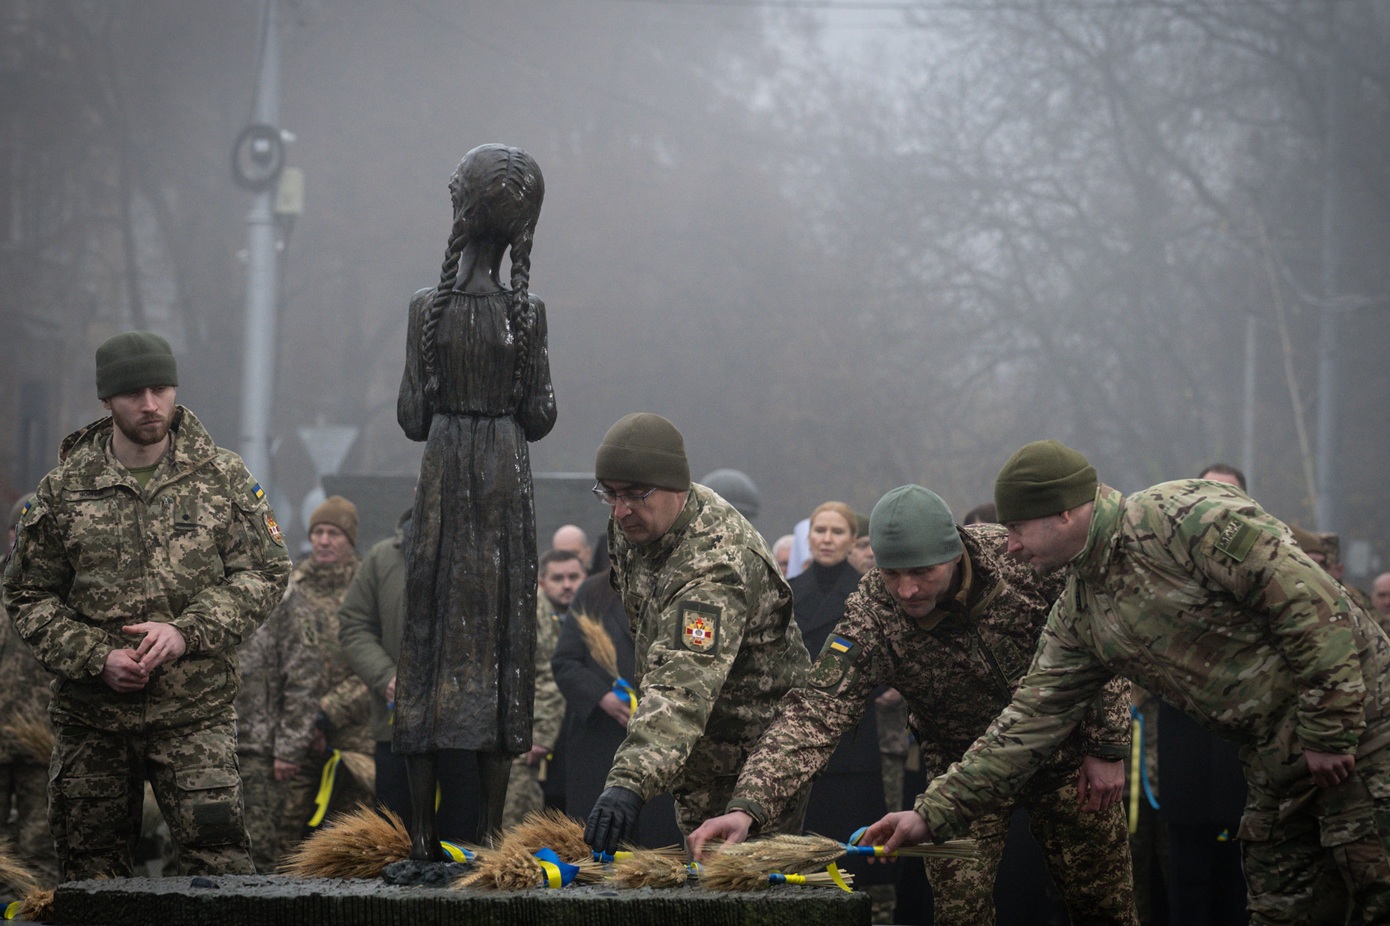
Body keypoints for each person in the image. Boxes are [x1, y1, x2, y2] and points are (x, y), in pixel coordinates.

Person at [870, 440, 1390, 925]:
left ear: (1064, 513)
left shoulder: (1183, 516)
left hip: (1364, 729)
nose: (1010, 548)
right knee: (1283, 908)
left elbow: (1310, 605)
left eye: (1017, 529)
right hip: (1274, 757)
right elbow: (1027, 722)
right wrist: (930, 815)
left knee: (1379, 885)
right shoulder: (1080, 610)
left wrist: (1330, 729)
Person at [691, 485, 1137, 926]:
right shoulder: (873, 610)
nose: (906, 590)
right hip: (959, 778)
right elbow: (815, 711)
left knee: (1103, 905)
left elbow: (1097, 635)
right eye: (892, 574)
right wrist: (747, 806)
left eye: (922, 572)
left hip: (1068, 760)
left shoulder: (1017, 559)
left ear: (955, 553)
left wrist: (1107, 746)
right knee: (959, 913)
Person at [2, 330, 290, 880]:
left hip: (195, 715)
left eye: (161, 389)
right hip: (94, 721)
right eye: (134, 393)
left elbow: (267, 571)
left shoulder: (222, 477)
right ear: (107, 400)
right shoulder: (63, 490)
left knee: (220, 874)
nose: (151, 404)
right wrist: (96, 657)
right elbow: (26, 593)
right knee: (93, 879)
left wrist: (187, 631)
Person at [394, 144, 556, 856]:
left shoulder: (425, 309)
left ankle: (423, 838)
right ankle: (491, 836)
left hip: (442, 484)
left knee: (426, 638)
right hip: (503, 485)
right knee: (503, 645)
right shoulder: (528, 313)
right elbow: (541, 415)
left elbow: (412, 418)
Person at [582, 413, 812, 855]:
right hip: (697, 750)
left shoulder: (715, 564)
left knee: (746, 884)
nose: (620, 510)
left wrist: (629, 782)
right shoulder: (632, 525)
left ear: (675, 487)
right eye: (609, 493)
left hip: (755, 764)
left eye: (634, 494)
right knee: (700, 876)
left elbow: (683, 683)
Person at [235, 495, 363, 872]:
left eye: (334, 533)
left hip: (352, 741)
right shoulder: (291, 586)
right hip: (293, 738)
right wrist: (301, 725)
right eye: (318, 532)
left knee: (348, 837)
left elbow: (377, 664)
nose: (323, 541)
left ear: (350, 540)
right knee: (284, 837)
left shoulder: (365, 587)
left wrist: (326, 714)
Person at [338, 509, 481, 843]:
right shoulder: (382, 558)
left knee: (463, 837)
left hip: (466, 725)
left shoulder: (479, 556)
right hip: (397, 726)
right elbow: (354, 625)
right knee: (396, 835)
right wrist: (386, 677)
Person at [551, 537, 684, 846]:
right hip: (599, 742)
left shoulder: (675, 588)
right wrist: (602, 697)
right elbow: (565, 662)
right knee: (596, 842)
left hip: (658, 742)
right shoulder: (591, 594)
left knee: (658, 845)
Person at [0, 494, 58, 885]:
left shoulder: (64, 591)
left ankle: (38, 908)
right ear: (9, 534)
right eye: (19, 531)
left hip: (44, 740)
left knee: (42, 844)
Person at [502, 548, 582, 825]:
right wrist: (539, 735)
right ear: (542, 582)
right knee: (521, 813)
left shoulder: (586, 613)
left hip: (570, 737)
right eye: (558, 578)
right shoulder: (534, 615)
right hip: (532, 737)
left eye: (573, 577)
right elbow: (547, 679)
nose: (567, 585)